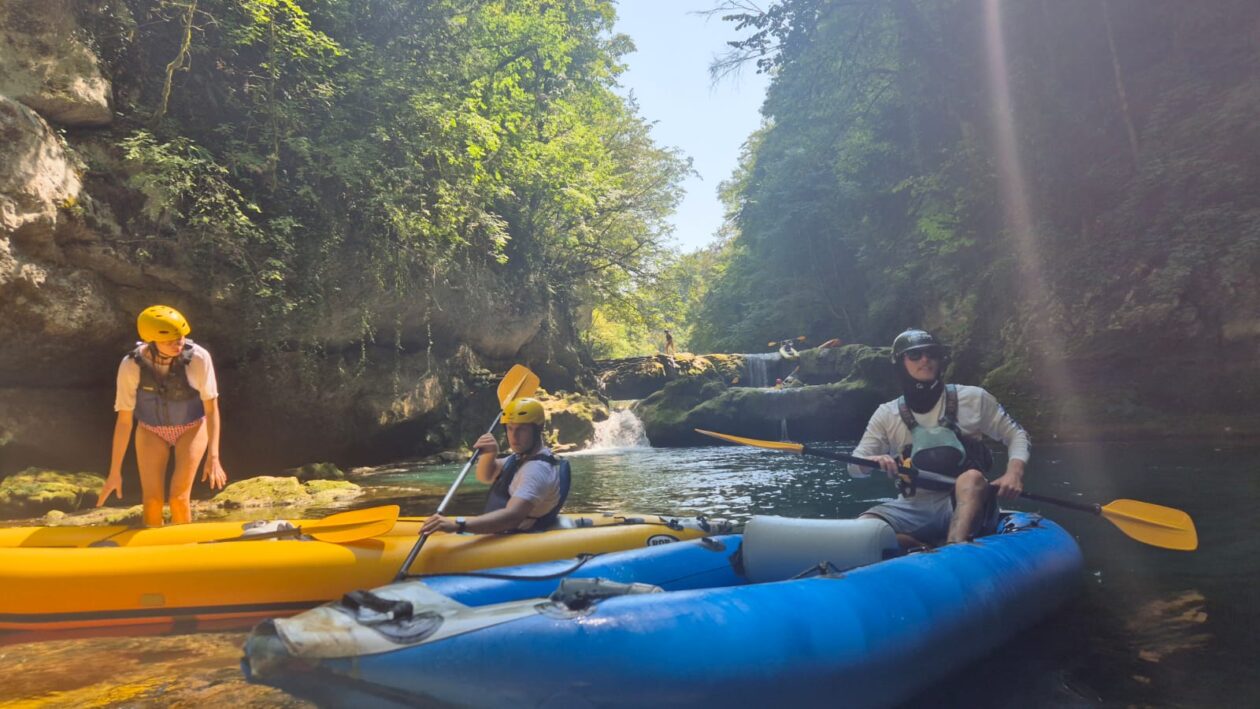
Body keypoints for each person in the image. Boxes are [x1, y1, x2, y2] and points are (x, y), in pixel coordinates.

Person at [850, 329, 1029, 548]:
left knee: (971, 477)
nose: (925, 359)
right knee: (866, 528)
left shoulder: (973, 398)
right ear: (900, 363)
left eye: (932, 353)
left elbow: (1016, 434)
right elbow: (854, 467)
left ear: (940, 360)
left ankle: (955, 547)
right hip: (914, 507)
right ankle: (919, 547)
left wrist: (1013, 474)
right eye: (915, 355)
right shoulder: (886, 414)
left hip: (969, 501)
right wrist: (871, 461)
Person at [97, 305, 228, 526]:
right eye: (169, 341)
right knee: (152, 501)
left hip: (192, 427)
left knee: (178, 499)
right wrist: (114, 472)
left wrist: (213, 457)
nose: (178, 344)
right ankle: (152, 543)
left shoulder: (198, 357)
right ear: (151, 341)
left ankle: (186, 545)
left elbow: (211, 409)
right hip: (150, 430)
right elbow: (124, 422)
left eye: (180, 338)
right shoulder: (131, 365)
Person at [421, 397, 571, 536]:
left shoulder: (536, 470)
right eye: (510, 428)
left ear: (538, 429)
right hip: (502, 530)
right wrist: (489, 454)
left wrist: (459, 525)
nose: (514, 436)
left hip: (516, 535)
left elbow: (512, 517)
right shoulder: (521, 458)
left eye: (522, 429)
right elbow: (485, 476)